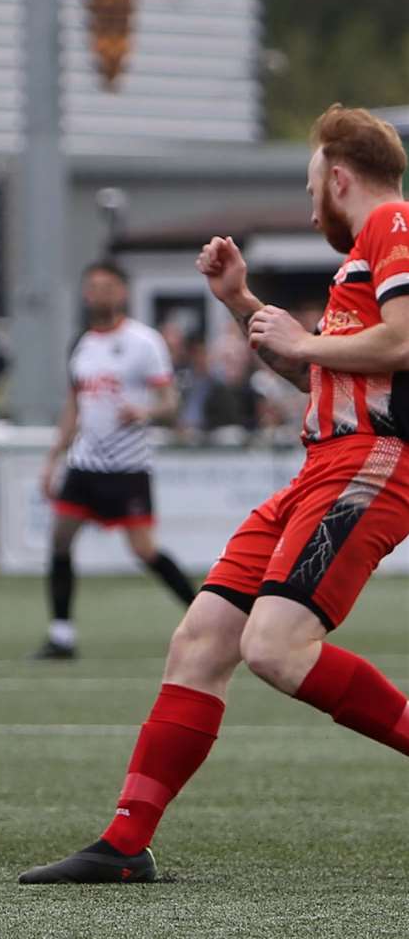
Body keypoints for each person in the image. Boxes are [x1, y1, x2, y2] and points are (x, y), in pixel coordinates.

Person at [21, 104, 409, 885]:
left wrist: (302, 337)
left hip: (370, 460)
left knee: (273, 647)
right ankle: (125, 844)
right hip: (319, 468)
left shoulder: (393, 220)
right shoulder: (357, 260)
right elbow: (314, 369)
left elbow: (401, 339)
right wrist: (241, 304)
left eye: (310, 188)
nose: (309, 206)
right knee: (199, 641)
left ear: (338, 175)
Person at [34, 261, 196, 659]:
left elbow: (170, 402)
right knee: (59, 541)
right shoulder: (82, 344)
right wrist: (54, 458)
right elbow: (74, 406)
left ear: (122, 293)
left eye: (107, 286)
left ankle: (204, 620)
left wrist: (146, 413)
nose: (99, 294)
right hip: (85, 465)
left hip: (128, 467)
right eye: (92, 286)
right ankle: (61, 635)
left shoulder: (144, 342)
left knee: (144, 551)